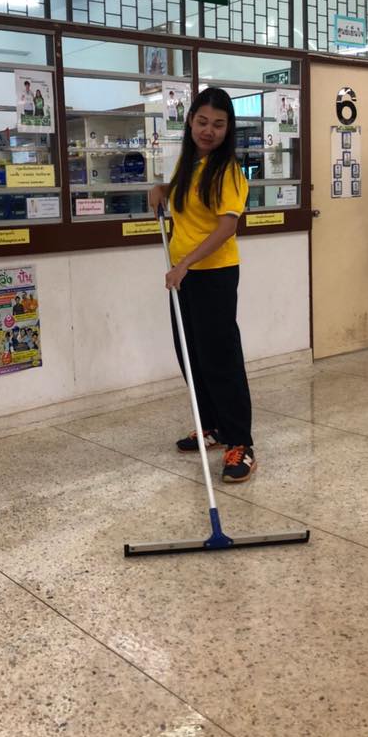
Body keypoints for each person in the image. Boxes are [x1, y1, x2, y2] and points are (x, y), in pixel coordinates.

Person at [148, 87, 255, 483]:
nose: (209, 131)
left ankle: (240, 442)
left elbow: (226, 227)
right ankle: (211, 426)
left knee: (220, 358)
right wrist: (161, 189)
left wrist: (186, 264)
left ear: (229, 129)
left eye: (218, 124)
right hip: (185, 274)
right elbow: (184, 201)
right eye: (203, 122)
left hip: (213, 274)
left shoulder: (228, 172)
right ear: (191, 121)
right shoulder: (189, 164)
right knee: (190, 354)